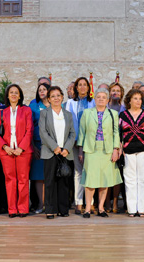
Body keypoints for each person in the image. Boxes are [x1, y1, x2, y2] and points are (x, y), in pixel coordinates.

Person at [77, 88, 123, 218]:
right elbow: (82, 132)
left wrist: (115, 149)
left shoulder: (113, 113)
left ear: (108, 100)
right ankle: (87, 209)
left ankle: (101, 208)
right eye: (99, 97)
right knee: (90, 180)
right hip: (91, 149)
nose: (101, 99)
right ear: (95, 99)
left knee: (104, 179)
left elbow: (116, 132)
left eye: (104, 97)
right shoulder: (87, 112)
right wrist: (80, 149)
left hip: (107, 150)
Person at [0, 84, 33, 218]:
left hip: (23, 151)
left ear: (20, 95)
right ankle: (12, 209)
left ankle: (22, 208)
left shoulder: (26, 110)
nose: (14, 95)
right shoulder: (2, 112)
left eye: (16, 92)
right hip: (7, 151)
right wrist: (5, 147)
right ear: (8, 95)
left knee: (23, 179)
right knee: (10, 180)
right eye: (11, 92)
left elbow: (29, 130)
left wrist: (21, 147)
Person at [39, 86, 76, 219]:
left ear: (62, 97)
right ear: (49, 99)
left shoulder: (67, 114)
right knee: (49, 181)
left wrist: (66, 148)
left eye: (58, 95)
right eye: (53, 96)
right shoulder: (44, 113)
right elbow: (43, 132)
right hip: (50, 151)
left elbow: (72, 133)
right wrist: (54, 147)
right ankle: (50, 209)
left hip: (65, 152)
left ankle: (63, 209)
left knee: (64, 181)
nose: (56, 98)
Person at [66, 77, 95, 214]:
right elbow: (68, 123)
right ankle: (78, 202)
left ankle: (91, 202)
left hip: (91, 143)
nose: (82, 87)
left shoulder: (93, 102)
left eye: (85, 85)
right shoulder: (70, 103)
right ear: (76, 88)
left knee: (90, 172)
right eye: (80, 85)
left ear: (88, 88)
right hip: (76, 141)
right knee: (78, 172)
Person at [120, 89, 144, 217]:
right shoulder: (123, 115)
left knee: (143, 179)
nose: (138, 101)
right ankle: (132, 208)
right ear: (129, 100)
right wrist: (120, 148)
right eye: (135, 98)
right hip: (128, 150)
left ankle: (142, 208)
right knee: (129, 179)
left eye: (140, 99)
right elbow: (119, 133)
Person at [29, 83, 50, 214]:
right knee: (38, 176)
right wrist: (32, 145)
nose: (42, 91)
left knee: (50, 176)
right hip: (38, 144)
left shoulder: (55, 104)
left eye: (44, 89)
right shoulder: (34, 105)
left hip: (52, 146)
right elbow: (29, 126)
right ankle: (40, 204)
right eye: (40, 90)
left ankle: (50, 203)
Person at [107, 82, 126, 212]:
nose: (115, 93)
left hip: (121, 145)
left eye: (118, 91)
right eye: (113, 90)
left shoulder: (124, 108)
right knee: (107, 175)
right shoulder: (104, 107)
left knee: (118, 175)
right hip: (106, 144)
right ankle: (106, 203)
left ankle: (115, 203)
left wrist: (121, 146)